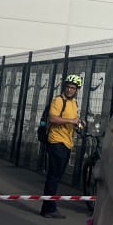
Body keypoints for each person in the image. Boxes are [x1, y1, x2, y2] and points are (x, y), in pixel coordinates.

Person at [40, 73, 84, 217]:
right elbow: (53, 118)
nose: (69, 90)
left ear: (77, 90)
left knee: (57, 176)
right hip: (56, 141)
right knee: (53, 176)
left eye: (73, 88)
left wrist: (80, 123)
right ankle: (49, 209)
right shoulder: (58, 101)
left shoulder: (74, 103)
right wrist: (71, 121)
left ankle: (48, 207)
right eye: (68, 87)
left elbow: (74, 119)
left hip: (67, 142)